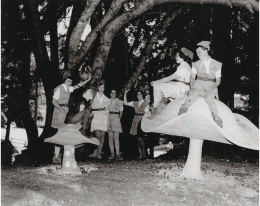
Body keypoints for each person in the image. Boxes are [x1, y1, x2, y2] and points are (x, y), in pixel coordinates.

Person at [178, 41, 223, 128]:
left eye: (200, 52)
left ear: (206, 50)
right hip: (198, 83)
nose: (198, 54)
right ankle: (184, 107)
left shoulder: (217, 64)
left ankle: (216, 117)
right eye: (197, 52)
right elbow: (192, 78)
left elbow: (218, 80)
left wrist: (213, 87)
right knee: (193, 95)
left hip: (211, 85)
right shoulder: (196, 64)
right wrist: (192, 87)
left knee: (209, 98)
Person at [51, 71, 92, 163]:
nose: (70, 82)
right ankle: (56, 155)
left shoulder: (68, 88)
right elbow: (54, 101)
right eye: (68, 80)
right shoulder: (59, 88)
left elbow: (78, 86)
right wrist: (61, 110)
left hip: (66, 110)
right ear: (65, 80)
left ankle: (59, 155)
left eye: (71, 81)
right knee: (59, 132)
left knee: (62, 132)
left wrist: (88, 80)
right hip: (59, 110)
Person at [149, 47, 193, 119]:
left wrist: (156, 81)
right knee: (162, 87)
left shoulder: (184, 67)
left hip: (182, 90)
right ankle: (159, 107)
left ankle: (155, 108)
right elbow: (180, 80)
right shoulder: (183, 66)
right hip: (181, 86)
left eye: (177, 56)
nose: (175, 58)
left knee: (157, 86)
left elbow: (169, 78)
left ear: (182, 57)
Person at [124, 89, 149, 159]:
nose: (139, 96)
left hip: (142, 120)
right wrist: (125, 93)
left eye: (140, 94)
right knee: (137, 138)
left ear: (143, 95)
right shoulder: (135, 103)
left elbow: (147, 113)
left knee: (140, 137)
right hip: (135, 120)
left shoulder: (146, 103)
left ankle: (144, 154)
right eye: (138, 94)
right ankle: (140, 154)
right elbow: (125, 103)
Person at [89, 80, 110, 159]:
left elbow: (107, 110)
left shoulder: (106, 98)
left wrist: (108, 121)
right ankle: (96, 151)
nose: (101, 89)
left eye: (103, 87)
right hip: (95, 115)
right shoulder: (93, 95)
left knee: (102, 136)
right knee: (97, 135)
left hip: (103, 116)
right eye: (100, 87)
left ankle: (99, 153)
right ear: (97, 88)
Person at [107, 88, 124, 160]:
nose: (113, 94)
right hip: (109, 119)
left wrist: (118, 118)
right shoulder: (107, 101)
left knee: (116, 138)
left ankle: (117, 154)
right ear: (110, 93)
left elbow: (121, 111)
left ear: (116, 94)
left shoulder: (119, 101)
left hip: (116, 119)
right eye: (112, 93)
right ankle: (112, 154)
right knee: (110, 137)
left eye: (114, 93)